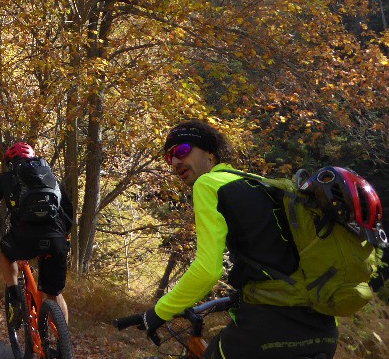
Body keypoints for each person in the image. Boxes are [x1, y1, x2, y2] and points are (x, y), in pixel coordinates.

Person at [141, 119, 338, 359]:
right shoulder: (257, 183)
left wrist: (157, 313)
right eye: (168, 157)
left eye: (181, 150)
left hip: (269, 329)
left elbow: (207, 270)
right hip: (324, 329)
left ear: (209, 153)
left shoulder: (208, 184)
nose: (174, 161)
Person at [0, 141, 73, 324]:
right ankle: (63, 345)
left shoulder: (5, 178)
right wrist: (64, 235)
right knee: (55, 294)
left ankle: (14, 297)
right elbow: (67, 209)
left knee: (5, 252)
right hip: (56, 238)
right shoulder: (51, 179)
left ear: (10, 162)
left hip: (24, 238)